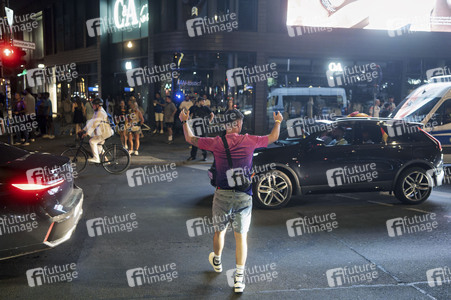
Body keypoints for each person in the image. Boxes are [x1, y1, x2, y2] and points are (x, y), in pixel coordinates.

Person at [179, 108, 283, 294]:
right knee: (241, 237)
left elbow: (191, 139)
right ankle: (239, 279)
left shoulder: (217, 143)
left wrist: (184, 121)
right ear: (238, 124)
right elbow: (273, 137)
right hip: (244, 195)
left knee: (219, 232)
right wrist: (278, 121)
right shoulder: (250, 140)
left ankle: (217, 261)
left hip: (222, 194)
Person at [80, 98, 114, 163]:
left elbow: (94, 125)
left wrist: (87, 133)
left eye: (94, 105)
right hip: (103, 132)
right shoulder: (97, 112)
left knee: (92, 142)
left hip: (105, 132)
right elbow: (91, 122)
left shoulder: (100, 113)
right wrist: (83, 130)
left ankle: (96, 158)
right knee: (98, 145)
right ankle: (106, 160)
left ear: (98, 105)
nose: (93, 106)